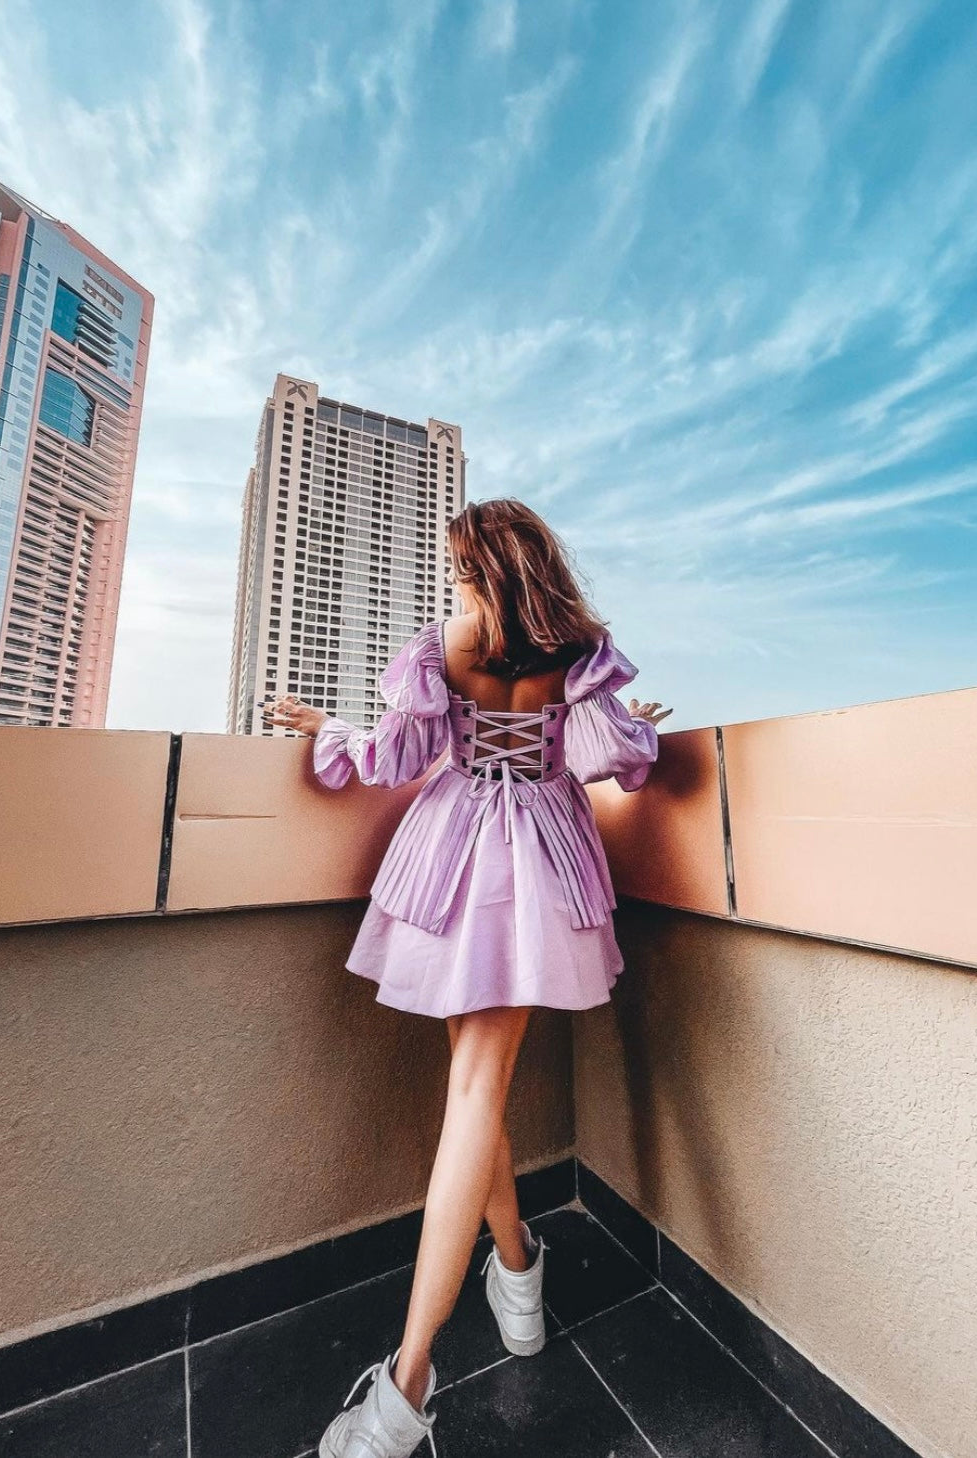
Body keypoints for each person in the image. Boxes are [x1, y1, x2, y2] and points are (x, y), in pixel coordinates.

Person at [261, 497, 671, 1458]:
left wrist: (328, 728)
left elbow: (392, 758)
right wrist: (637, 728)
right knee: (475, 1089)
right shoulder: (575, 653)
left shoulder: (442, 645)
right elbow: (614, 761)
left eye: (455, 565)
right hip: (538, 864)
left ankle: (405, 1389)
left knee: (473, 1089)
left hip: (448, 859)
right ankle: (520, 1278)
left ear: (475, 566)